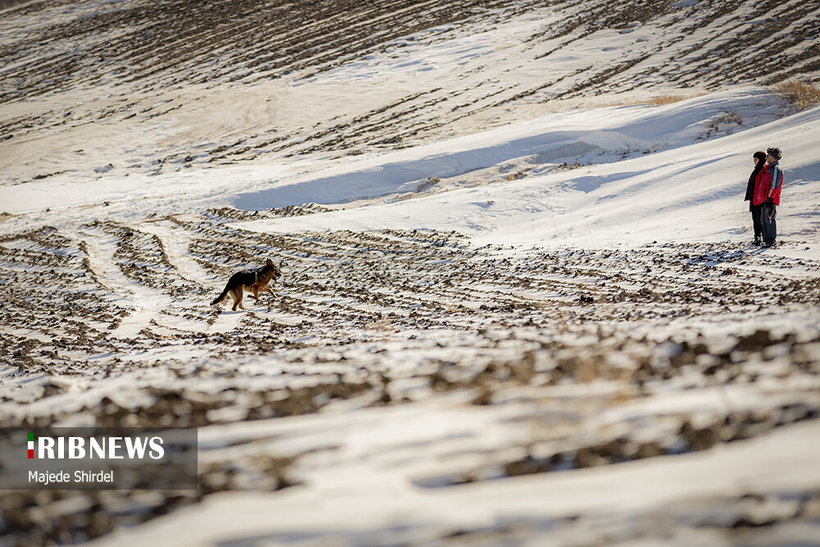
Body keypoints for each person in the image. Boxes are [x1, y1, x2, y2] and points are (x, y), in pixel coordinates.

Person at [752, 147, 784, 247]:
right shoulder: (768, 169)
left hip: (770, 200)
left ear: (774, 158)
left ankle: (771, 241)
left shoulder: (775, 170)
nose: (767, 157)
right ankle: (766, 240)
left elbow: (774, 185)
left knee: (769, 219)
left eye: (769, 155)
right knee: (763, 220)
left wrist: (770, 199)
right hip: (764, 199)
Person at [745, 151, 767, 245]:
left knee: (759, 219)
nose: (754, 161)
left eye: (756, 159)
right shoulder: (756, 170)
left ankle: (762, 238)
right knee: (755, 219)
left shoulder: (762, 170)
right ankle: (757, 237)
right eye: (754, 159)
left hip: (759, 200)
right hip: (754, 199)